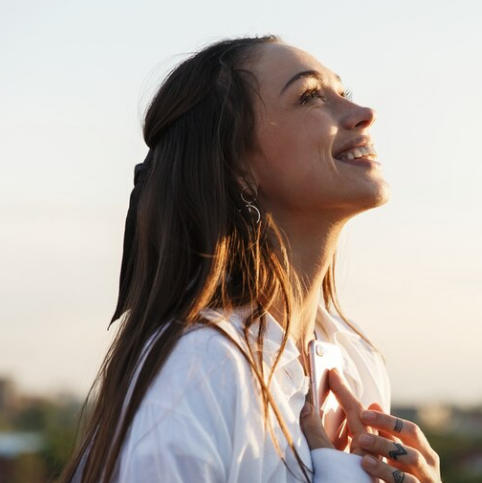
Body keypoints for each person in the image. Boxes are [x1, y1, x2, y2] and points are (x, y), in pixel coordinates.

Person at [55, 35, 442, 483]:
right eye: (310, 96)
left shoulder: (358, 365)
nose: (363, 113)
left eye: (344, 92)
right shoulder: (199, 369)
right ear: (238, 164)